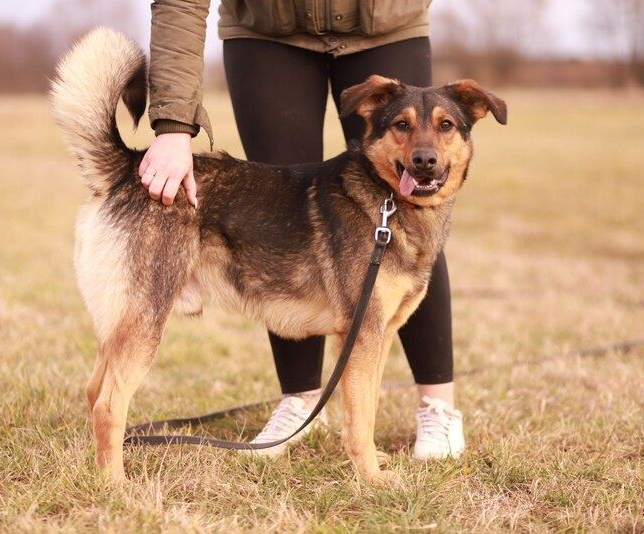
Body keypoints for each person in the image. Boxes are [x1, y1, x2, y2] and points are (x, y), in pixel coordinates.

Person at [140, 0, 464, 460]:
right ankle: (301, 399)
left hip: (386, 23)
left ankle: (438, 407)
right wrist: (173, 124)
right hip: (268, 33)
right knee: (278, 216)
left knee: (416, 204)